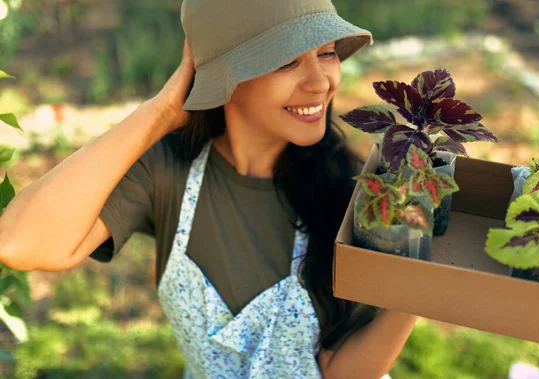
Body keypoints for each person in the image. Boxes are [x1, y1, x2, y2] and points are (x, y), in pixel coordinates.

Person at [0, 0, 418, 377]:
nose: (320, 82)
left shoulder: (356, 194)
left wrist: (419, 282)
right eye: (287, 61)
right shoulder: (168, 170)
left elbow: (342, 371)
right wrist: (161, 112)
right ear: (225, 77)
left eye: (326, 53)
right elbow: (20, 243)